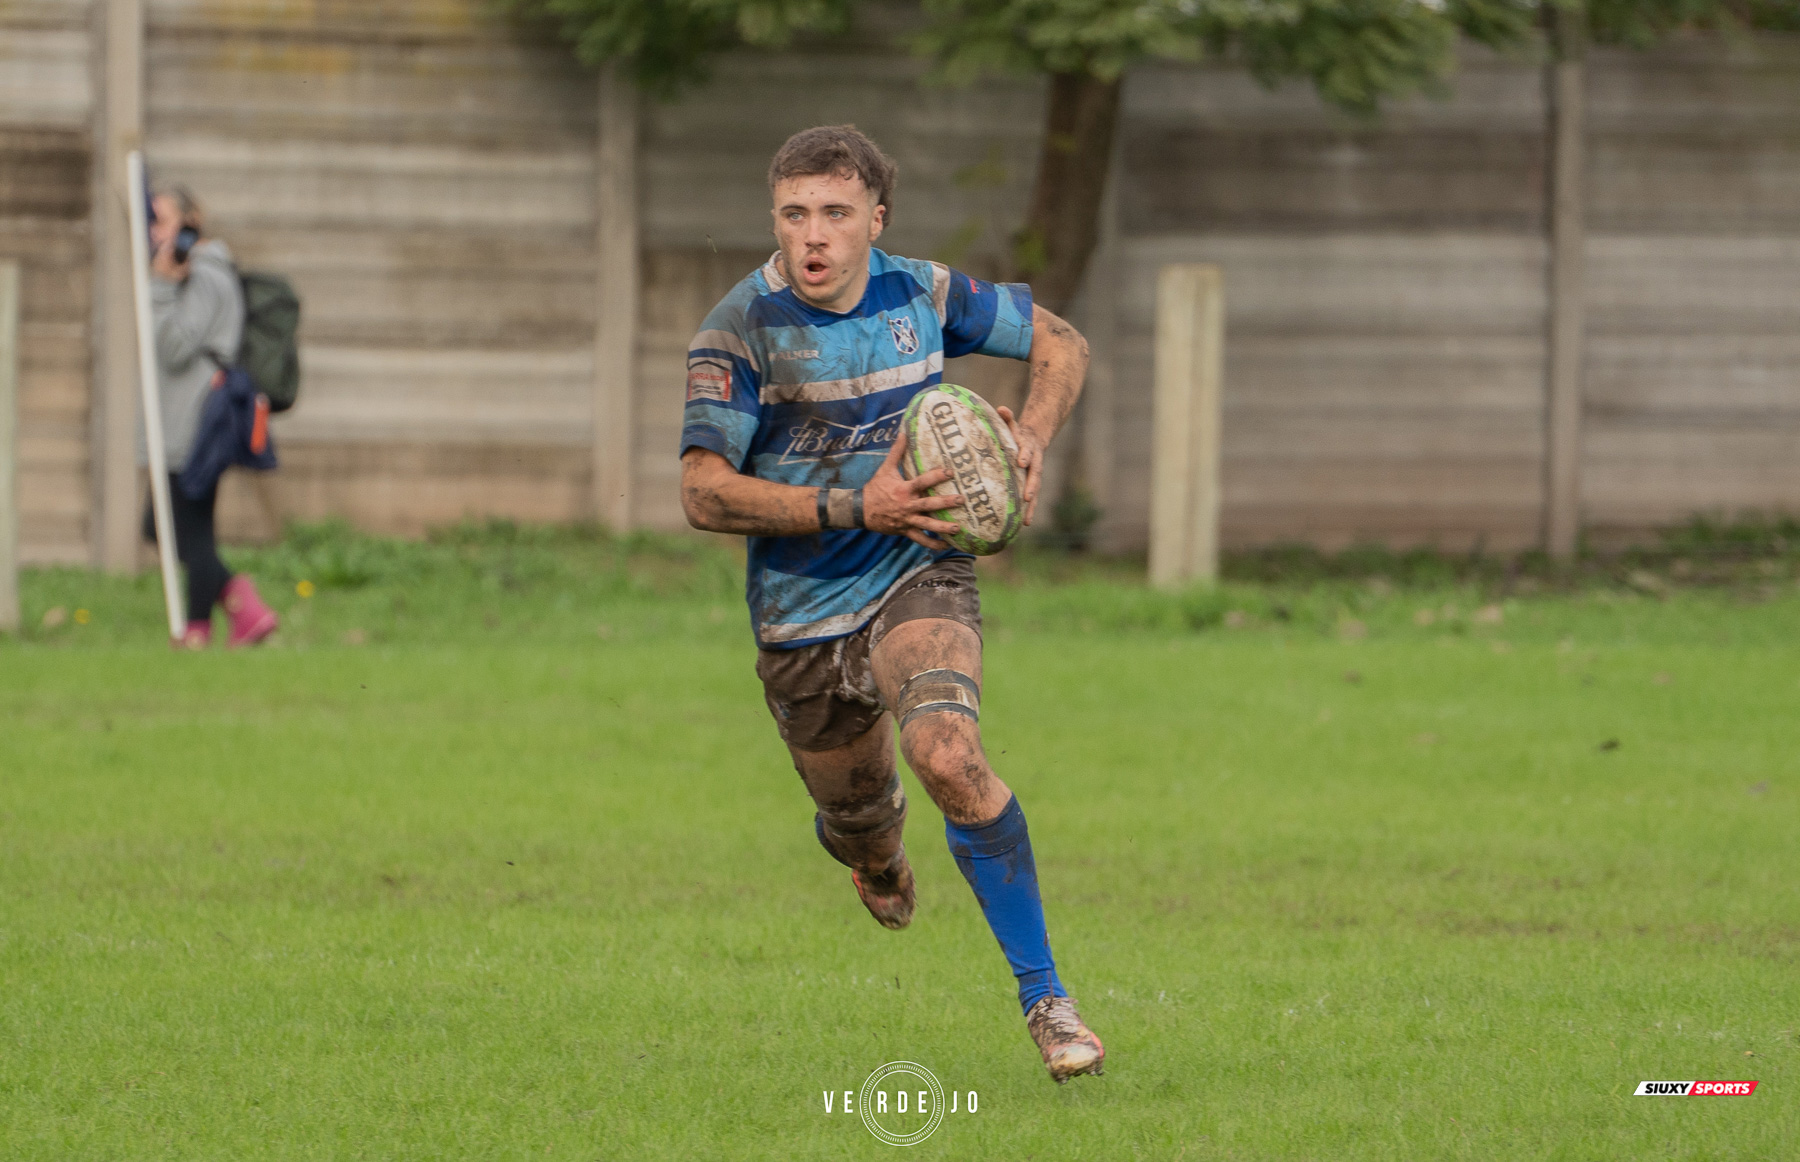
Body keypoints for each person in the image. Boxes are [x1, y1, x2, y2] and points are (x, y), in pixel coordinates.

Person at [679, 126, 1103, 1083]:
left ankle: (1047, 999)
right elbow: (703, 493)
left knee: (949, 753)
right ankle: (876, 854)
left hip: (918, 570)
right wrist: (848, 502)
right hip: (798, 615)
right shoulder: (740, 329)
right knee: (860, 822)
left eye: (835, 212)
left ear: (877, 218)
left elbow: (1063, 342)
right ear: (775, 219)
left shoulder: (925, 292)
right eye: (794, 214)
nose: (813, 235)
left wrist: (1029, 436)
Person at [144, 185, 278, 650]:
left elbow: (176, 347)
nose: (154, 232)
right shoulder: (192, 276)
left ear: (192, 220)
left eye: (162, 221)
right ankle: (225, 618)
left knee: (189, 529)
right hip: (183, 422)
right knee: (166, 525)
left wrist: (161, 287)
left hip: (197, 424)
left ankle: (217, 620)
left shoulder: (206, 276)